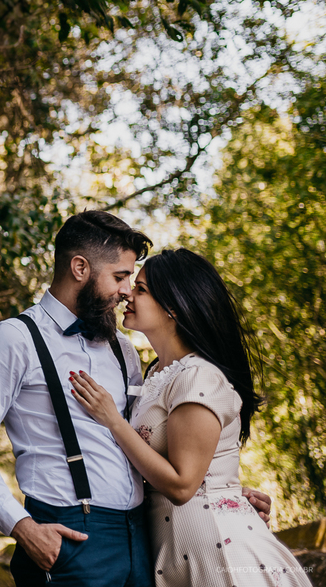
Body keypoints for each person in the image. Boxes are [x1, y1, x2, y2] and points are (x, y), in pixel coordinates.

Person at [0, 211, 272, 587]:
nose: (126, 291)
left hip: (144, 538)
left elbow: (150, 440)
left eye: (131, 280)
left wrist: (220, 492)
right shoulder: (15, 339)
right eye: (119, 277)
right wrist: (21, 526)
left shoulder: (123, 349)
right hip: (71, 539)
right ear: (80, 268)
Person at [70, 249, 309, 586]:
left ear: (174, 307)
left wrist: (113, 421)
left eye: (141, 289)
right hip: (178, 553)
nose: (127, 295)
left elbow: (183, 485)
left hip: (220, 557)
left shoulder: (197, 376)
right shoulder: (156, 373)